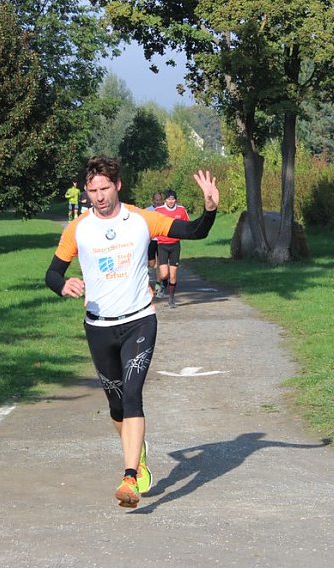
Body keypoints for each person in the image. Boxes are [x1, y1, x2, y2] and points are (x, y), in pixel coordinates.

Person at [45, 155, 220, 509]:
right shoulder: (77, 229)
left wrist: (210, 209)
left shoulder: (142, 220)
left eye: (105, 188)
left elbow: (195, 231)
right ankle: (137, 454)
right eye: (92, 190)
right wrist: (62, 286)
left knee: (132, 394)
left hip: (139, 320)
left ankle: (129, 477)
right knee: (116, 404)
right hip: (99, 326)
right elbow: (51, 274)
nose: (99, 196)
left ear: (118, 186)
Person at [153, 189, 189, 308]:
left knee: (173, 275)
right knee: (164, 274)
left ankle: (171, 299)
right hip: (162, 245)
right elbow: (153, 224)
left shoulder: (181, 210)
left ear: (175, 200)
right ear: (165, 200)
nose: (171, 201)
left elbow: (187, 224)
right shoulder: (158, 210)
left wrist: (184, 233)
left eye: (173, 199)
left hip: (175, 245)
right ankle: (163, 283)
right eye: (169, 199)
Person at [145, 192, 164, 274]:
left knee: (161, 263)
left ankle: (159, 280)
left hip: (162, 240)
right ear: (153, 200)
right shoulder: (147, 210)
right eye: (156, 200)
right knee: (151, 263)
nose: (158, 202)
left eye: (160, 200)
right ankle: (146, 273)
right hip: (151, 240)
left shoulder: (165, 210)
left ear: (162, 200)